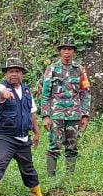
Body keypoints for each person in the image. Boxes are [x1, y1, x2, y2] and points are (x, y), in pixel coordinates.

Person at [0, 57, 50, 196]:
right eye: (11, 71)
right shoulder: (0, 87)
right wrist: (4, 94)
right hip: (5, 136)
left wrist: (36, 133)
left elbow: (32, 113)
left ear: (22, 74)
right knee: (0, 161)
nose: (14, 74)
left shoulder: (26, 91)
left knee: (28, 168)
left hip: (23, 138)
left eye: (17, 71)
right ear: (6, 74)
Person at [39, 39, 91, 176]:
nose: (67, 52)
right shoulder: (52, 69)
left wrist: (85, 115)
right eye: (64, 49)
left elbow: (85, 93)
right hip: (56, 114)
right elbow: (45, 94)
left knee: (72, 146)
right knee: (54, 146)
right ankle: (51, 179)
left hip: (74, 114)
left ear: (74, 51)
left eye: (70, 49)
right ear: (60, 51)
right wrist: (45, 116)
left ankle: (69, 179)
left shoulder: (80, 70)